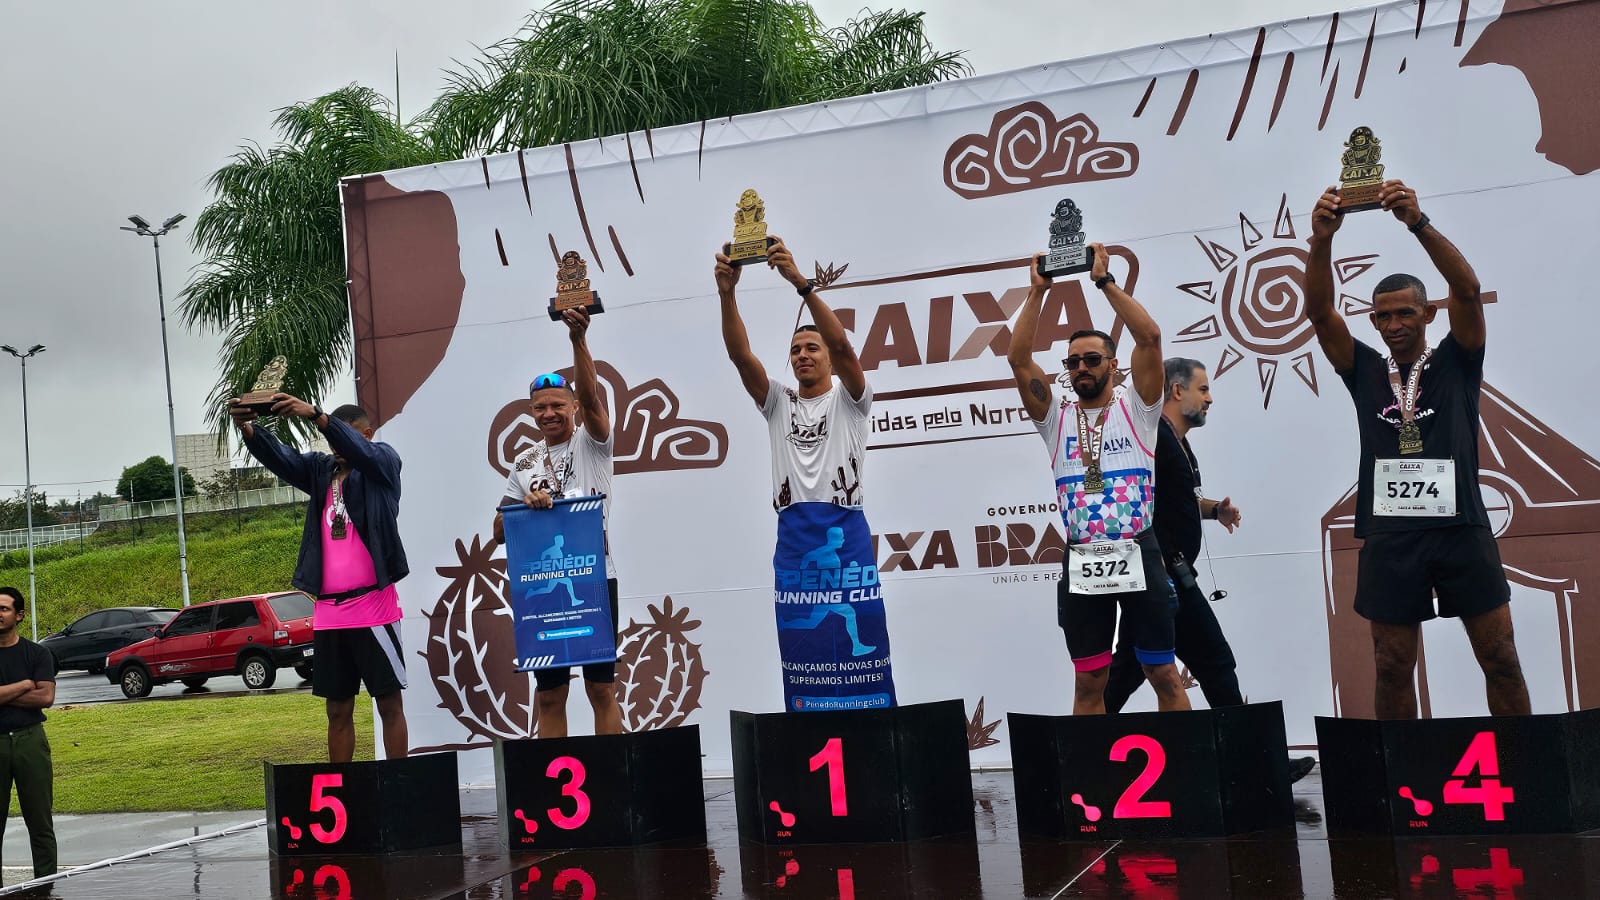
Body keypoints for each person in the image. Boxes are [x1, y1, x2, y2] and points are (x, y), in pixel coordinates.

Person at [1307, 180, 1529, 719]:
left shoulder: (1457, 360)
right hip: (1391, 534)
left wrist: (1418, 224)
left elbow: (1468, 290)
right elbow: (1319, 313)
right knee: (1391, 664)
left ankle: (1525, 763)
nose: (1395, 325)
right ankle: (1401, 767)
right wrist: (1322, 240)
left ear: (1429, 314)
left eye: (1405, 313)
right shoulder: (1363, 368)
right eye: (1383, 316)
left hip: (1460, 528)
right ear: (1373, 321)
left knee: (1500, 657)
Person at [1101, 360, 1316, 781]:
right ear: (1176, 391)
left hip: (1167, 578)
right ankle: (1257, 765)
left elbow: (1176, 501)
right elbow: (1134, 502)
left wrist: (1215, 510)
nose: (1210, 398)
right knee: (1211, 662)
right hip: (1162, 578)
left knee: (1133, 671)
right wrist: (1157, 561)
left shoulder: (1177, 441)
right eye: (1203, 389)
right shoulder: (1153, 439)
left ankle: (1076, 753)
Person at [717, 236, 897, 711]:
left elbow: (843, 344)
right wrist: (727, 293)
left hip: (844, 530)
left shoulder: (850, 398)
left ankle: (872, 728)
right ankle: (810, 731)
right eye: (795, 349)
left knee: (859, 628)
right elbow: (741, 356)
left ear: (829, 358)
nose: (802, 355)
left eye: (811, 347)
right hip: (795, 534)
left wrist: (800, 283)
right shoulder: (778, 401)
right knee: (804, 650)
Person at [1008, 243, 1188, 715]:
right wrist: (1037, 292)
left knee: (1162, 674)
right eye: (1073, 362)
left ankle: (1184, 762)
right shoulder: (1056, 418)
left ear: (1114, 364)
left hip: (1138, 549)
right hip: (1083, 555)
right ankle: (1089, 765)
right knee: (1089, 681)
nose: (1081, 368)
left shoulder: (1138, 408)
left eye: (1091, 359)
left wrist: (1105, 282)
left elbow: (1150, 338)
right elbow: (1019, 360)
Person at [231, 396, 411, 760]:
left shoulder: (383, 465)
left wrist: (316, 415)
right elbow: (283, 458)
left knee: (388, 704)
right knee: (337, 711)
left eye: (346, 436)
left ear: (367, 435)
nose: (336, 447)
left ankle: (401, 784)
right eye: (332, 440)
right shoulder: (321, 471)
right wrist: (249, 429)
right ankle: (342, 787)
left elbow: (363, 453)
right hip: (329, 614)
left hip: (374, 610)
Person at [492, 308, 623, 737]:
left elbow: (594, 398)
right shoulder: (523, 462)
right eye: (540, 408)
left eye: (557, 405)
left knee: (600, 689)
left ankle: (612, 770)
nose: (549, 413)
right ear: (532, 413)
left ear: (574, 407)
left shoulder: (593, 442)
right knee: (549, 695)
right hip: (544, 587)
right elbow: (498, 531)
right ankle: (553, 774)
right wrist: (524, 509)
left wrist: (578, 340)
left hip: (594, 580)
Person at [0, 587, 54, 879]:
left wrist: (3, 695)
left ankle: (46, 885)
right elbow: (34, 691)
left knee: (40, 822)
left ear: (19, 615)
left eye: (4, 609)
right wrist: (23, 685)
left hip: (30, 740)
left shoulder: (37, 653)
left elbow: (46, 697)